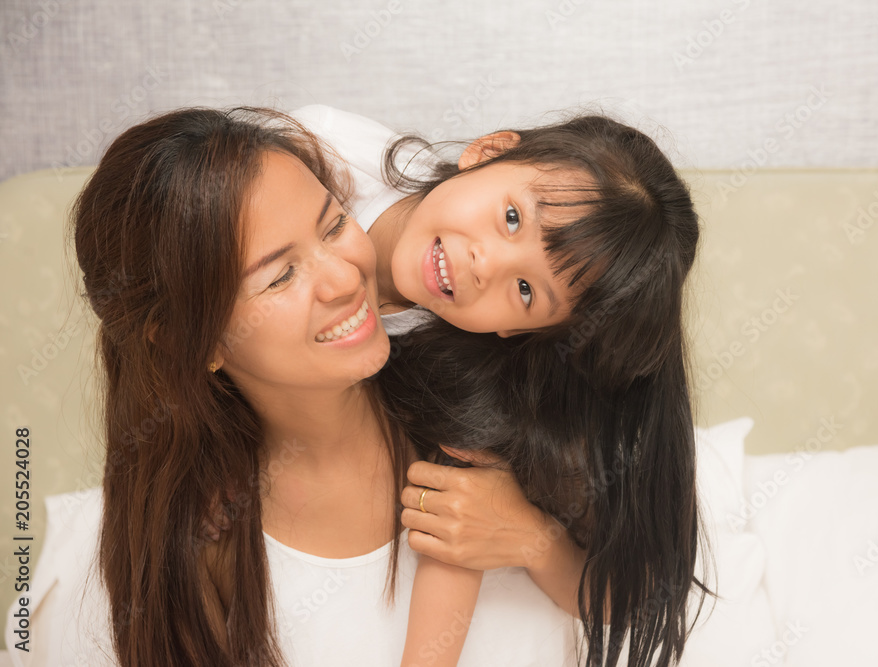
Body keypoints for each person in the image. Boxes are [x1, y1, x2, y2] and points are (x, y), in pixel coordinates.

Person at [7, 106, 588, 666]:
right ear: (192, 340)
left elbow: (653, 605)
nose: (345, 278)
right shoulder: (128, 573)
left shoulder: (502, 435)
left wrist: (539, 542)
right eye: (281, 275)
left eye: (336, 224)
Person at [288, 106, 714, 666]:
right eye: (512, 218)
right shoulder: (332, 152)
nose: (485, 264)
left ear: (515, 330)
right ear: (488, 152)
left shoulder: (468, 384)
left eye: (526, 290)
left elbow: (461, 529)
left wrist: (532, 539)